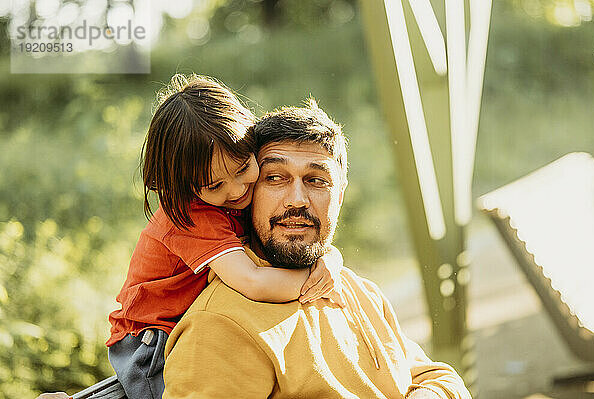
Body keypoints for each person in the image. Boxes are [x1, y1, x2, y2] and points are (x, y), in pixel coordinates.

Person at [35, 75, 346, 399]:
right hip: (149, 338)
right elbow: (252, 280)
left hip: (180, 321)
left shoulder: (232, 192)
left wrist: (330, 256)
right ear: (185, 185)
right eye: (215, 185)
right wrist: (313, 280)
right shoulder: (193, 217)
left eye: (242, 168)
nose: (237, 190)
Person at [162, 100, 472, 398]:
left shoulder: (357, 290)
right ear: (248, 192)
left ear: (339, 196)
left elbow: (437, 377)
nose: (297, 199)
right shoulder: (221, 326)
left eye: (316, 180)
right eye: (274, 178)